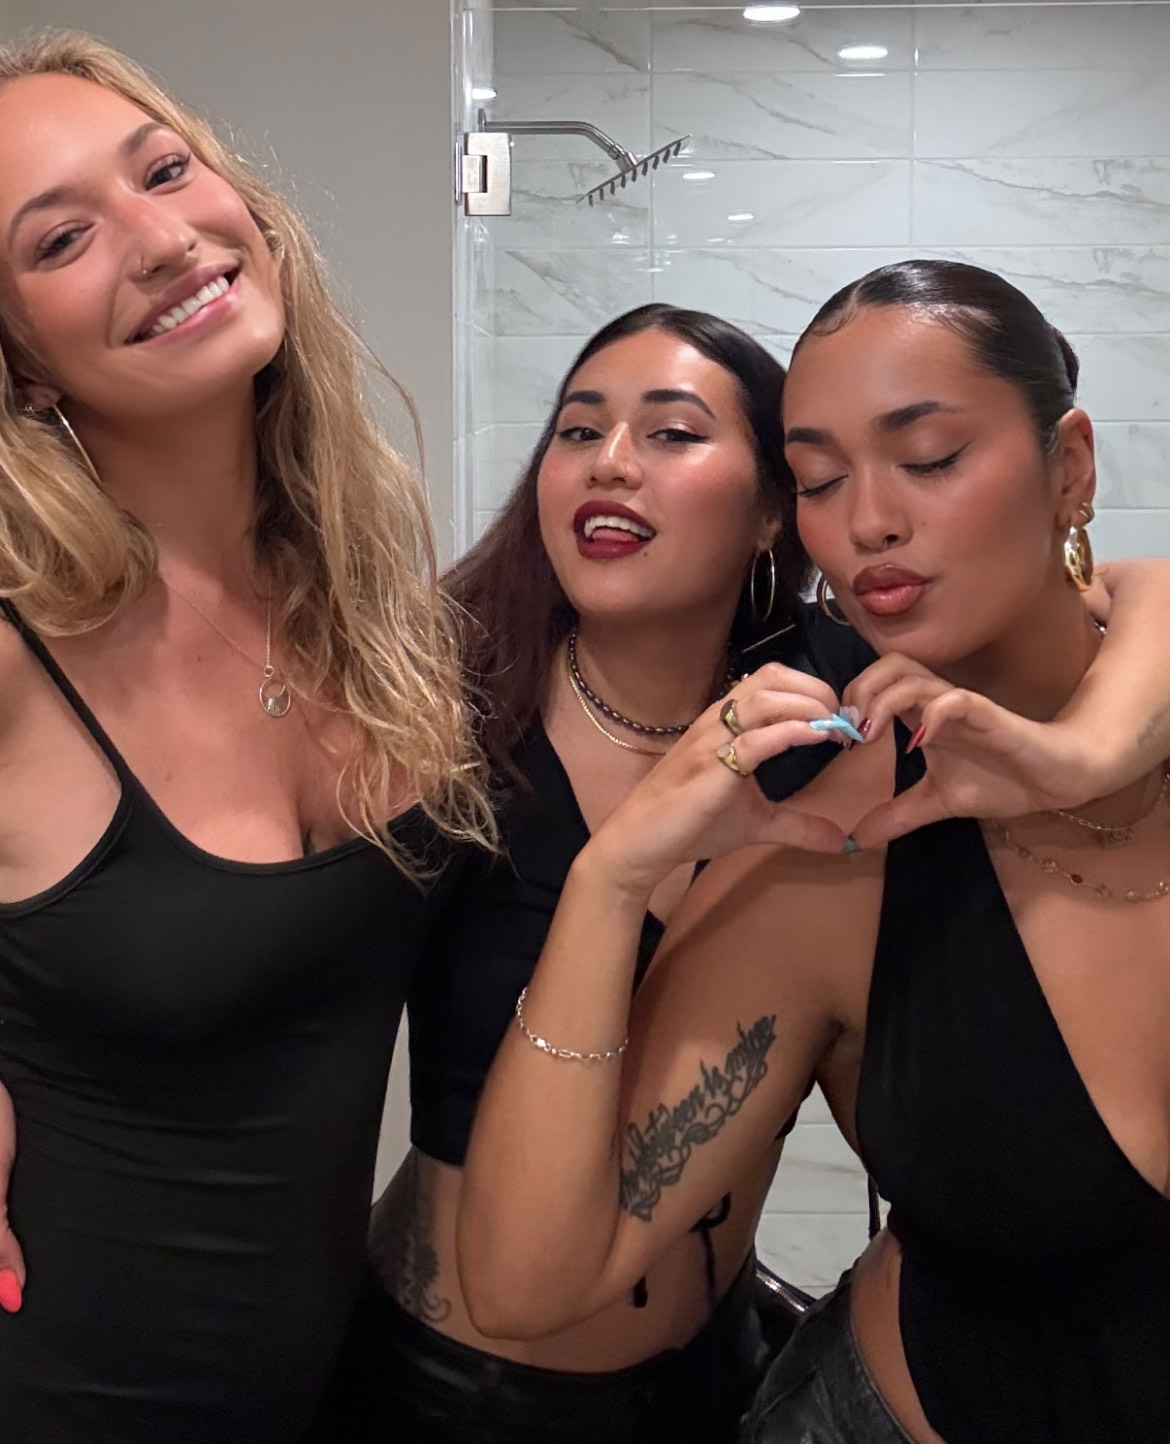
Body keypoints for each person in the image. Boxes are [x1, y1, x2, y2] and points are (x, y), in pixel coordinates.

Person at [457, 261, 1170, 1444]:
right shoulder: (837, 845)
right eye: (821, 481)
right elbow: (524, 1281)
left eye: (929, 456)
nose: (869, 520)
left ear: (1071, 467)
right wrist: (611, 876)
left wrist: (1086, 753)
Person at [0, 31, 490, 1442]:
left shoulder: (368, 602)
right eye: (61, 239)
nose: (162, 239)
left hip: (318, 1387)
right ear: (20, 365)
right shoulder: (20, 646)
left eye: (165, 171)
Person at [326, 303, 868, 1443]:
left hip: (720, 1369)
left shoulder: (829, 708)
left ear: (774, 508)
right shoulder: (436, 705)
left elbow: (1108, 623)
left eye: (672, 433)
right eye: (579, 431)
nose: (610, 462)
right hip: (446, 1394)